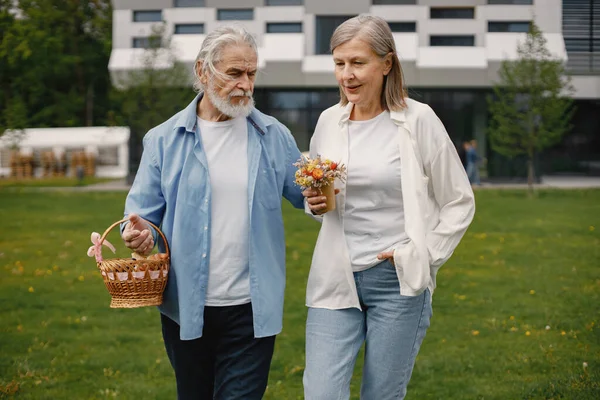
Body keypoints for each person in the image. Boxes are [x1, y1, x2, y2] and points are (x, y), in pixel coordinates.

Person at [120, 25, 305, 400]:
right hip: (185, 306)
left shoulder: (274, 136)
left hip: (252, 310)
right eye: (234, 73)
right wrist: (137, 234)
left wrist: (325, 189)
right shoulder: (163, 139)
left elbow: (308, 197)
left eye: (251, 73)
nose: (245, 85)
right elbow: (141, 218)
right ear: (203, 72)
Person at [302, 15, 476, 400]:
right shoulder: (329, 121)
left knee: (381, 394)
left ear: (387, 63)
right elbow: (319, 197)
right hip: (336, 274)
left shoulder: (418, 120)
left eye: (357, 63)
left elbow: (458, 200)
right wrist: (314, 204)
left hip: (396, 281)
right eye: (339, 63)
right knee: (321, 393)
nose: (346, 75)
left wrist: (424, 255)